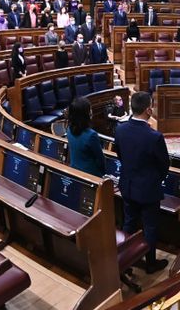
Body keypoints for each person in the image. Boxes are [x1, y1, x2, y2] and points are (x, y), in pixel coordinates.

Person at [115, 92, 170, 273]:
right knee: (150, 227)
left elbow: (120, 155)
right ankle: (151, 264)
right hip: (148, 189)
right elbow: (164, 165)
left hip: (127, 185)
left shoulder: (120, 129)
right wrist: (154, 179)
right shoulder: (154, 137)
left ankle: (126, 261)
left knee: (129, 223)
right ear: (148, 110)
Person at [67, 97, 106, 176]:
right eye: (89, 109)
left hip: (74, 171)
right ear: (85, 114)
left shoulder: (69, 129)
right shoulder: (91, 135)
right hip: (90, 175)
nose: (91, 112)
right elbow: (101, 160)